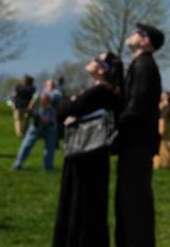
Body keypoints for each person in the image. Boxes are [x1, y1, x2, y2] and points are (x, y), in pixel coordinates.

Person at [53, 52, 124, 247]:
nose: (92, 61)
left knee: (79, 203)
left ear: (103, 70)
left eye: (97, 60)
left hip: (84, 154)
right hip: (95, 155)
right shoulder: (108, 93)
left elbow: (62, 111)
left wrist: (71, 104)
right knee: (92, 205)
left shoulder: (99, 92)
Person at [115, 23, 164, 247]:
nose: (132, 34)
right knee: (130, 199)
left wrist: (116, 127)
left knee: (134, 200)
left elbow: (138, 104)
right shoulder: (139, 64)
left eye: (138, 33)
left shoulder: (144, 66)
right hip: (135, 141)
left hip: (137, 142)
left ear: (146, 42)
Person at [12, 78, 61, 170]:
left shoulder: (57, 94)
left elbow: (52, 97)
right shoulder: (39, 94)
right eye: (49, 84)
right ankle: (17, 164)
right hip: (38, 122)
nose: (51, 86)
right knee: (27, 144)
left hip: (51, 123)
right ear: (45, 86)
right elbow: (32, 105)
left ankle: (48, 167)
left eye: (52, 84)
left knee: (49, 148)